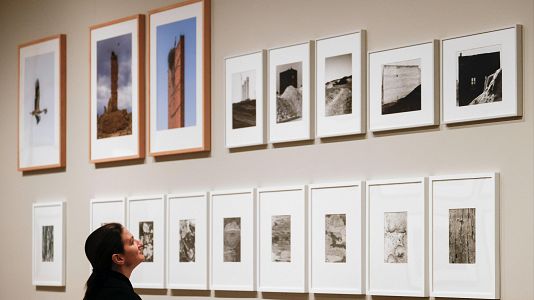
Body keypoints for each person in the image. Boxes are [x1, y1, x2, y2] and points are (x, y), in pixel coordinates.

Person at [83, 223, 145, 300]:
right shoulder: (124, 296)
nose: (140, 243)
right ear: (119, 258)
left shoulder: (98, 290)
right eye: (132, 242)